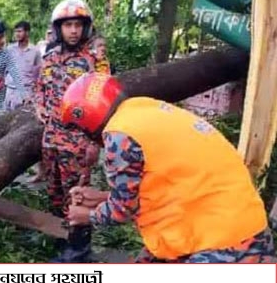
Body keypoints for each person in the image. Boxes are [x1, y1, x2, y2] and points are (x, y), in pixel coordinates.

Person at [61, 72, 275, 263]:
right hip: (242, 224)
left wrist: (85, 216)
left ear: (86, 118)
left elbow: (121, 210)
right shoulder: (145, 110)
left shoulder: (120, 136)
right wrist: (99, 198)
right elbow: (158, 184)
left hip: (227, 244)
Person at [33, 0, 111, 262]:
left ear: (85, 28)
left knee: (78, 196)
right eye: (68, 25)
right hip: (52, 139)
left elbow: (105, 103)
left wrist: (94, 143)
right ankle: (61, 237)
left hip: (79, 142)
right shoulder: (50, 57)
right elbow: (40, 88)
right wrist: (39, 106)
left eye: (78, 25)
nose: (74, 30)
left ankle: (79, 250)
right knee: (54, 193)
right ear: (59, 28)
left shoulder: (95, 61)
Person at [4, 21, 42, 111]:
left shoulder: (35, 51)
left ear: (27, 33)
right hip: (10, 91)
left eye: (20, 31)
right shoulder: (9, 49)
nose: (17, 34)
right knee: (6, 121)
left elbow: (38, 75)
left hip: (26, 92)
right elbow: (4, 70)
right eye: (16, 31)